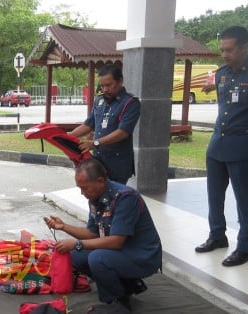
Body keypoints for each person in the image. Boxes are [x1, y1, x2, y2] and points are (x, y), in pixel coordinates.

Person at [44, 158, 162, 311]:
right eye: (80, 188)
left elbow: (116, 242)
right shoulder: (95, 198)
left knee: (97, 258)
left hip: (142, 256)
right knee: (75, 255)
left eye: (84, 188)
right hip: (122, 252)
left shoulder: (125, 197)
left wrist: (77, 243)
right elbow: (92, 233)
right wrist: (64, 227)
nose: (82, 193)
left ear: (100, 181)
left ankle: (116, 304)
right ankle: (127, 286)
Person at [195, 26, 248, 267]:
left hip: (245, 147)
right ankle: (217, 235)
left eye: (230, 49)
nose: (224, 54)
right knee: (214, 196)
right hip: (217, 145)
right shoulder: (222, 74)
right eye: (222, 49)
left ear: (244, 48)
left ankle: (245, 247)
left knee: (246, 200)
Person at [68, 64, 141, 184]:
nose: (105, 89)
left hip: (117, 164)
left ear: (120, 81)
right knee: (95, 196)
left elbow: (123, 132)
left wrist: (95, 143)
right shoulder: (99, 100)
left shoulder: (130, 103)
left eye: (109, 85)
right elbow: (88, 124)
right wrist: (68, 136)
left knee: (112, 198)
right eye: (102, 86)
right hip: (98, 162)